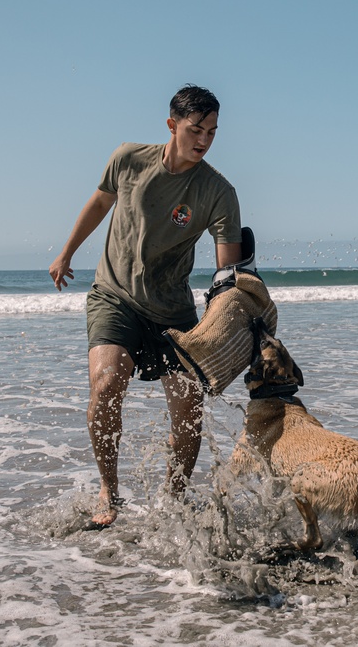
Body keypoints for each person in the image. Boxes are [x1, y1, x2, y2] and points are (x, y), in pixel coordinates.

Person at [49, 85, 244, 527]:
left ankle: (172, 501)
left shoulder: (218, 191)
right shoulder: (129, 159)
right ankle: (109, 490)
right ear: (172, 125)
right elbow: (100, 202)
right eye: (196, 130)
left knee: (188, 408)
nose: (204, 140)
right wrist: (67, 253)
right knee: (106, 381)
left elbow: (226, 271)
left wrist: (228, 315)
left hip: (173, 309)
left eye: (213, 132)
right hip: (114, 295)